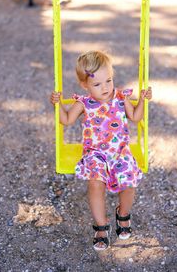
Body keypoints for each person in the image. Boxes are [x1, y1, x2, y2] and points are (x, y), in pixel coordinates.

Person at [50, 50, 152, 251]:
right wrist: (58, 104)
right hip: (95, 153)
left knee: (129, 180)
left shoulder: (121, 97)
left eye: (109, 81)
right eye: (97, 84)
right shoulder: (84, 103)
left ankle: (123, 214)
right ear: (85, 85)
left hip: (120, 151)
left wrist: (142, 100)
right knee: (96, 182)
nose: (105, 88)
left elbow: (136, 117)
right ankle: (101, 226)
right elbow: (67, 120)